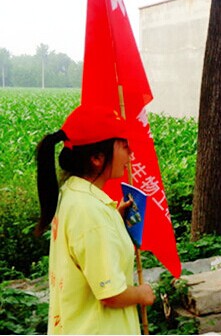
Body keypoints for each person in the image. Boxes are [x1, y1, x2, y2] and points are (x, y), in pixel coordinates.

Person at [35, 105, 155, 334]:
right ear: (97, 158)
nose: (130, 154)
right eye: (123, 145)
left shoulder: (72, 194)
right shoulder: (91, 213)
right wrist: (143, 293)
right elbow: (111, 293)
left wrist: (113, 220)